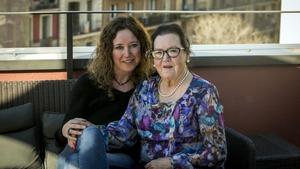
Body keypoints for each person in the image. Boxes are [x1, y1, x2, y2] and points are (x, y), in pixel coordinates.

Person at [79, 23, 227, 169]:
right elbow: (124, 133)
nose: (165, 58)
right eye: (159, 52)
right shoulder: (146, 88)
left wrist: (172, 163)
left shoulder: (204, 92)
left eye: (173, 51)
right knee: (82, 147)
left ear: (186, 54)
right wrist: (89, 132)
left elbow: (217, 153)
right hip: (144, 166)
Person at [55, 16, 152, 169]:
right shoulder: (88, 83)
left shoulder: (149, 84)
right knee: (91, 134)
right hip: (79, 149)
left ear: (142, 47)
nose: (127, 53)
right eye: (119, 47)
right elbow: (62, 137)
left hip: (120, 157)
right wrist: (65, 129)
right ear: (109, 50)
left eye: (133, 45)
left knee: (71, 163)